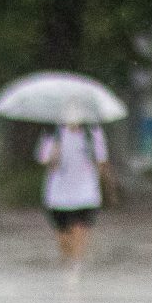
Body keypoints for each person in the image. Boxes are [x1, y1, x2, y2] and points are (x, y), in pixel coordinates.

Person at [35, 117, 108, 275]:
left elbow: (101, 159)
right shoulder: (52, 132)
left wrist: (97, 180)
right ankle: (67, 260)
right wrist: (53, 153)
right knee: (63, 235)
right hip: (58, 195)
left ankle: (76, 266)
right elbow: (45, 160)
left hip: (86, 193)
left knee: (79, 228)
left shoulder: (93, 132)